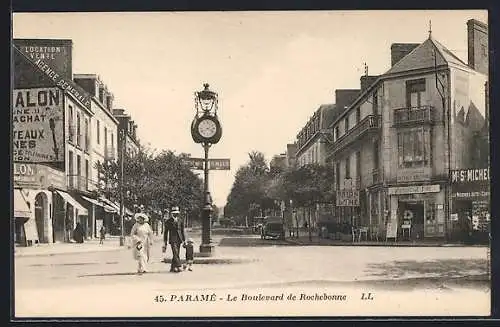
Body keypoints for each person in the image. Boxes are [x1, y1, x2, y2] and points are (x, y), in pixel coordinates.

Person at [164, 206, 186, 273]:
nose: (175, 214)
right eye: (174, 213)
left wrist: (184, 240)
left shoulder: (180, 220)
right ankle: (179, 266)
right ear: (172, 213)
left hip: (179, 239)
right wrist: (165, 241)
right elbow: (165, 232)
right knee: (175, 252)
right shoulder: (168, 221)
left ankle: (173, 267)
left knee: (176, 253)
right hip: (172, 239)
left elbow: (182, 231)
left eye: (177, 213)